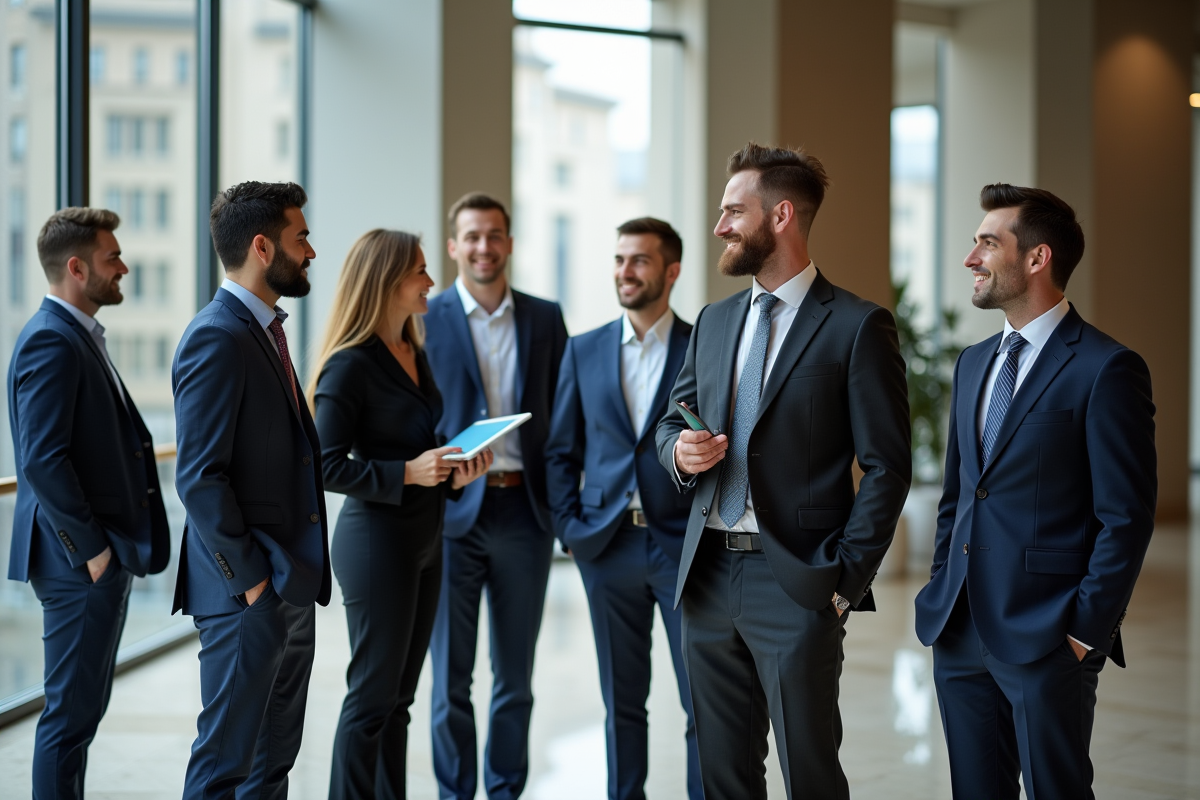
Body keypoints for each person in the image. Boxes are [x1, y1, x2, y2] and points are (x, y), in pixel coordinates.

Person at [655, 143, 911, 800]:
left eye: (733, 212)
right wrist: (679, 454)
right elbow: (668, 423)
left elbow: (888, 466)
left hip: (797, 581)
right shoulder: (713, 322)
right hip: (707, 576)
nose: (720, 227)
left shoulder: (857, 326)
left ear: (782, 216)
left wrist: (842, 584)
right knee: (723, 777)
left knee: (811, 775)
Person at [914, 184, 1157, 799]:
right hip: (959, 629)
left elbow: (1125, 518)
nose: (971, 258)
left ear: (1037, 258)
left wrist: (1083, 633)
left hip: (1050, 635)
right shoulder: (972, 363)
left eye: (987, 244)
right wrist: (942, 583)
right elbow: (959, 498)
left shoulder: (1106, 367)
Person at [310, 229, 492, 800]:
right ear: (387, 281)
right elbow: (323, 465)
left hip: (425, 536)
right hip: (375, 544)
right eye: (420, 271)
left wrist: (455, 472)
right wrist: (407, 473)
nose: (432, 282)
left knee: (400, 702)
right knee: (370, 699)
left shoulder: (413, 348)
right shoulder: (349, 365)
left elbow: (420, 443)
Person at [172, 181, 331, 799]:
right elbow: (199, 477)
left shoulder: (264, 330)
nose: (311, 251)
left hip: (287, 580)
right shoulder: (218, 335)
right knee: (224, 767)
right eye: (302, 237)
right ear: (263, 247)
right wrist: (254, 584)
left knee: (271, 765)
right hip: (249, 592)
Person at [7, 207, 170, 799]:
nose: (123, 266)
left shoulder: (76, 334)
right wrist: (95, 552)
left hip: (95, 558)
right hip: (79, 563)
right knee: (69, 721)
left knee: (81, 716)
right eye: (111, 258)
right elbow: (42, 460)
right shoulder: (52, 341)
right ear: (76, 268)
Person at [545, 217, 701, 800]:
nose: (625, 271)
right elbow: (560, 450)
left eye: (638, 260)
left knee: (701, 701)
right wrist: (569, 527)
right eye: (619, 259)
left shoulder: (702, 347)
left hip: (684, 548)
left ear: (672, 271)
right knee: (621, 703)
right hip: (606, 546)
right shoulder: (582, 349)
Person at [424, 192, 568, 800]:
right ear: (454, 246)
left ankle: (505, 789)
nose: (483, 247)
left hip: (523, 513)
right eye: (471, 237)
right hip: (452, 514)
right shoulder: (423, 318)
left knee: (515, 677)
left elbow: (563, 419)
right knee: (450, 679)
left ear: (509, 243)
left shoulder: (544, 318)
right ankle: (456, 793)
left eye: (494, 235)